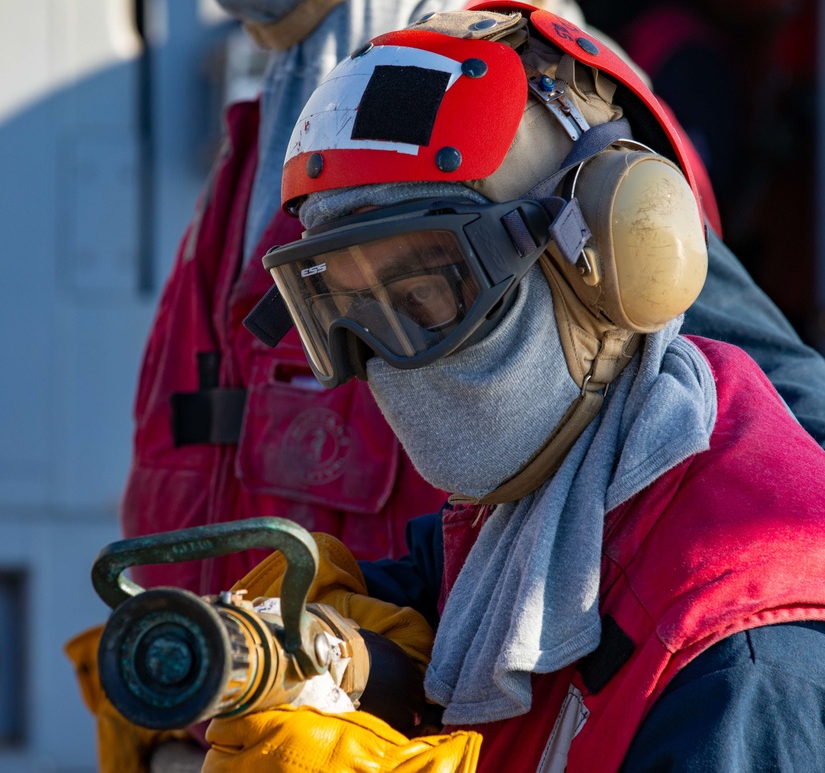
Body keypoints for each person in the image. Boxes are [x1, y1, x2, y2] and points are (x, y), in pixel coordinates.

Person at [200, 4, 825, 771]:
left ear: (611, 257)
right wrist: (301, 647)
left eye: (427, 294)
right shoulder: (541, 504)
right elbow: (452, 590)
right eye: (351, 310)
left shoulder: (739, 667)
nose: (393, 356)